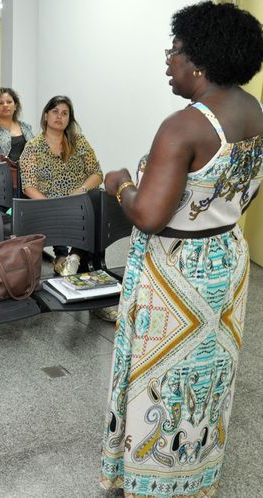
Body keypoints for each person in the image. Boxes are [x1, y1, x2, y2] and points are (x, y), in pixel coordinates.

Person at [100, 3, 263, 496]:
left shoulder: (183, 126)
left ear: (199, 61)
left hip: (177, 272)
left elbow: (148, 214)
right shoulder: (254, 112)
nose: (167, 61)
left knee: (163, 376)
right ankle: (197, 472)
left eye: (173, 52)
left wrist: (120, 183)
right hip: (226, 258)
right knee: (209, 374)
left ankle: (154, 479)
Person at [19, 95, 102, 276]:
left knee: (97, 199)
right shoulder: (33, 147)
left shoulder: (79, 141)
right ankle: (63, 257)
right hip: (47, 203)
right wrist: (52, 204)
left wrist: (80, 191)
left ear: (69, 119)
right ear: (46, 116)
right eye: (55, 112)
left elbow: (97, 173)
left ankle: (74, 256)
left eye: (65, 113)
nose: (59, 117)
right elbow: (28, 186)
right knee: (58, 210)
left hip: (78, 200)